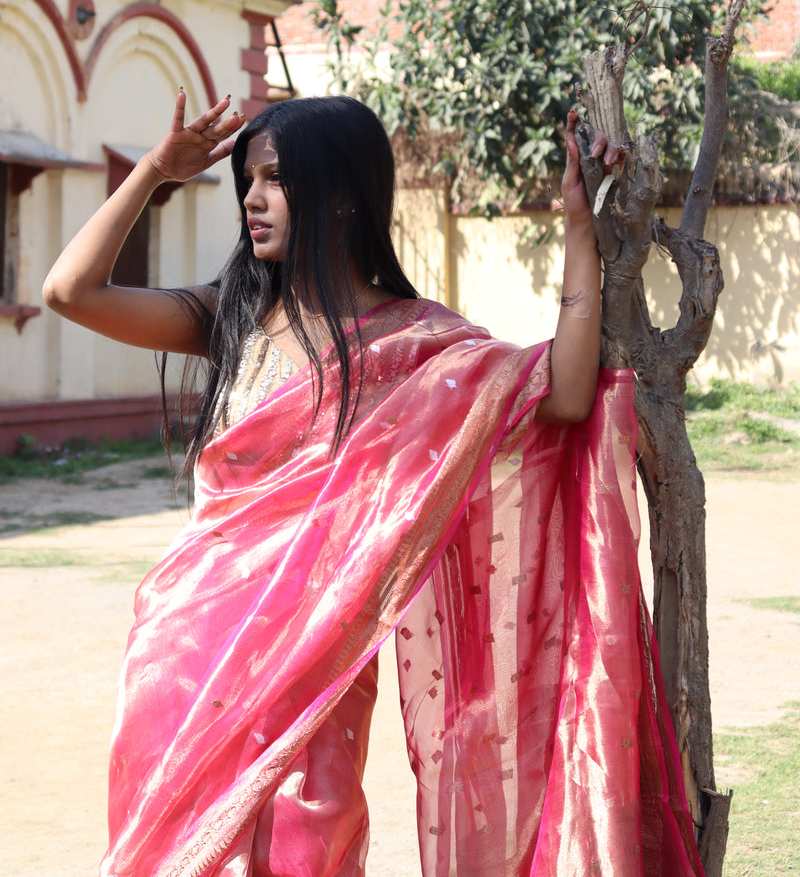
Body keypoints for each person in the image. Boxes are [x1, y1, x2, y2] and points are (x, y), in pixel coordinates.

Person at [43, 93, 703, 877]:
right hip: (182, 660)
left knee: (305, 850)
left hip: (319, 669)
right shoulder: (233, 317)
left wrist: (575, 230)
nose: (251, 199)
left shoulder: (418, 347)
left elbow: (561, 393)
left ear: (345, 194)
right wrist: (155, 172)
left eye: (276, 180)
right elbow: (69, 292)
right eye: (247, 180)